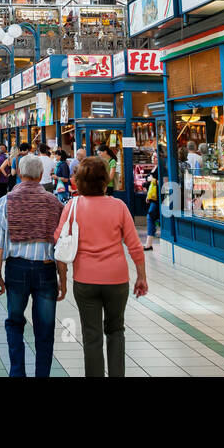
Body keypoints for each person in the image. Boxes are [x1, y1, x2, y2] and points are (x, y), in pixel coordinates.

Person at [57, 157, 147, 376]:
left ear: (79, 182)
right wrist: (141, 276)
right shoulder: (119, 206)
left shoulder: (72, 206)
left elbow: (60, 243)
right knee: (116, 331)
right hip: (116, 280)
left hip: (85, 280)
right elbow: (135, 245)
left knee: (91, 335)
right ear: (105, 180)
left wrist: (63, 279)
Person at [0, 154, 66, 377]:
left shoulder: (6, 201)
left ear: (20, 174)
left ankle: (17, 373)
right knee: (45, 329)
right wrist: (63, 278)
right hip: (46, 270)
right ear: (41, 175)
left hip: (16, 270)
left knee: (14, 322)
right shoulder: (55, 203)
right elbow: (60, 246)